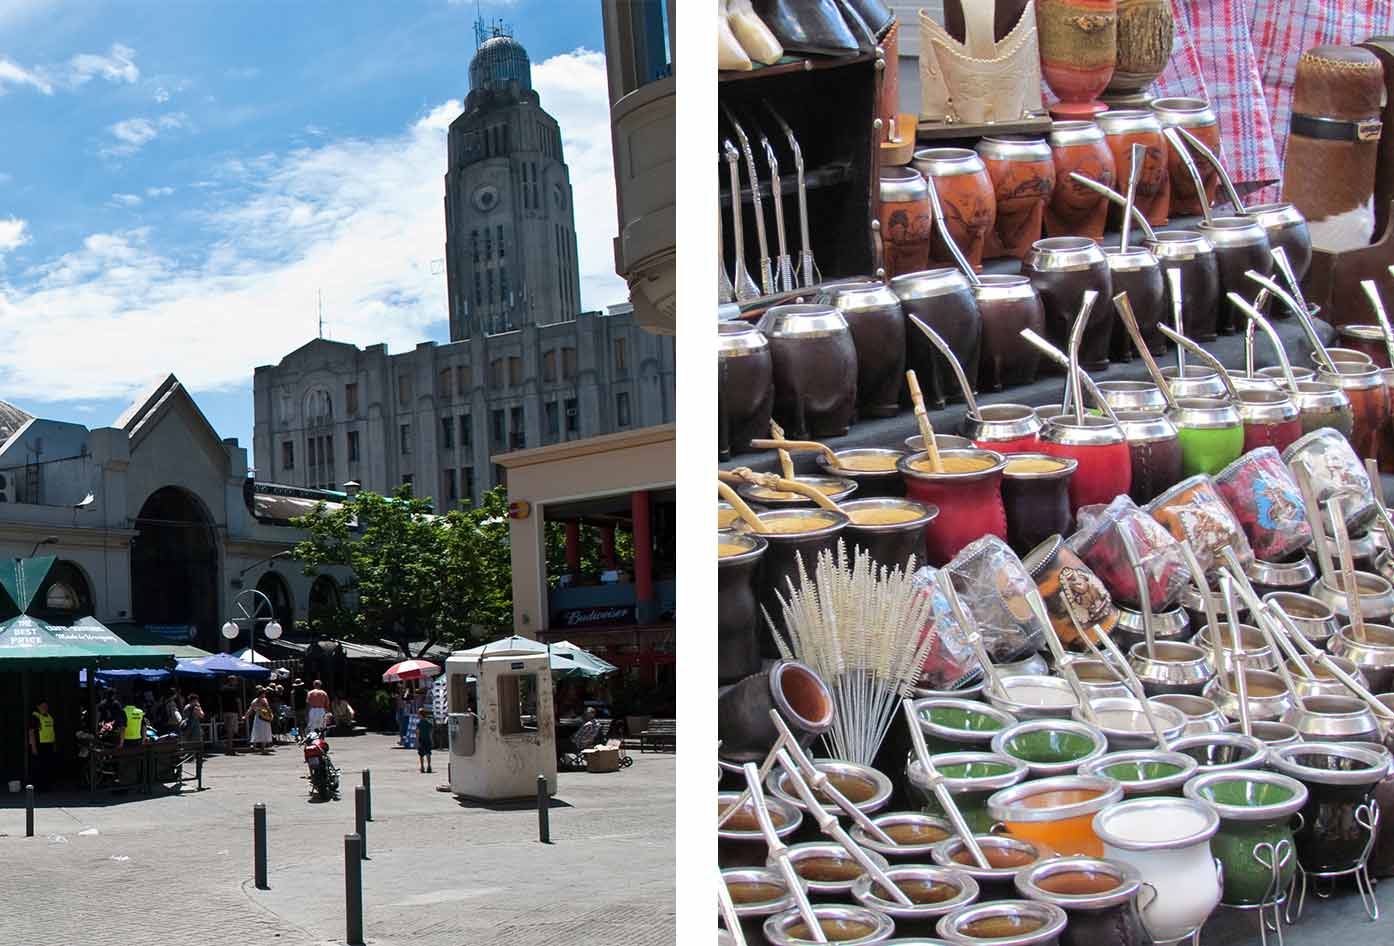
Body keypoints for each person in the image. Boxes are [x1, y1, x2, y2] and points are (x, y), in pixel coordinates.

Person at [29, 699, 56, 790]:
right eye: (43, 706)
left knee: (48, 766)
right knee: (39, 767)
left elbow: (52, 731)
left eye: (46, 706)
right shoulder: (35, 717)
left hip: (49, 744)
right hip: (39, 745)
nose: (45, 708)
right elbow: (31, 732)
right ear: (38, 707)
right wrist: (33, 747)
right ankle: (39, 787)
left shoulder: (49, 717)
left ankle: (47, 785)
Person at [245, 687, 274, 753]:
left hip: (258, 717)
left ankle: (254, 746)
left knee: (257, 731)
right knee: (264, 731)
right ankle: (262, 749)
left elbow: (250, 709)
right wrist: (271, 715)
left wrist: (246, 716)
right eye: (264, 693)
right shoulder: (264, 700)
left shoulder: (254, 700)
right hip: (264, 717)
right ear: (262, 694)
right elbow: (268, 708)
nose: (265, 694)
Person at [415, 706, 434, 774]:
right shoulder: (429, 724)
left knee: (421, 755)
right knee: (428, 753)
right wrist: (432, 741)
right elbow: (430, 734)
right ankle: (429, 766)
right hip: (428, 740)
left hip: (421, 741)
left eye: (418, 714)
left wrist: (417, 742)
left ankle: (422, 767)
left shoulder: (418, 724)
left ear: (420, 715)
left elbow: (417, 734)